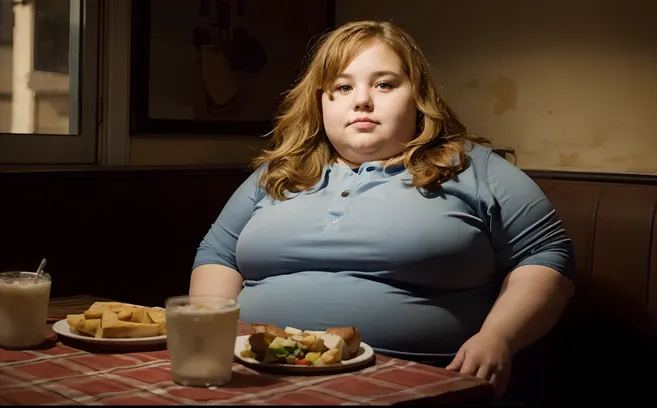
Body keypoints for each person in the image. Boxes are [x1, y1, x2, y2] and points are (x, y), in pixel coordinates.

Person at [190, 20, 575, 400]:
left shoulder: (472, 167)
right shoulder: (278, 172)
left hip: (413, 384)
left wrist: (497, 338)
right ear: (320, 102)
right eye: (342, 87)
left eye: (384, 84)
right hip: (254, 376)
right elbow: (218, 254)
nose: (362, 100)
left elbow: (547, 254)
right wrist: (208, 338)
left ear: (418, 95)